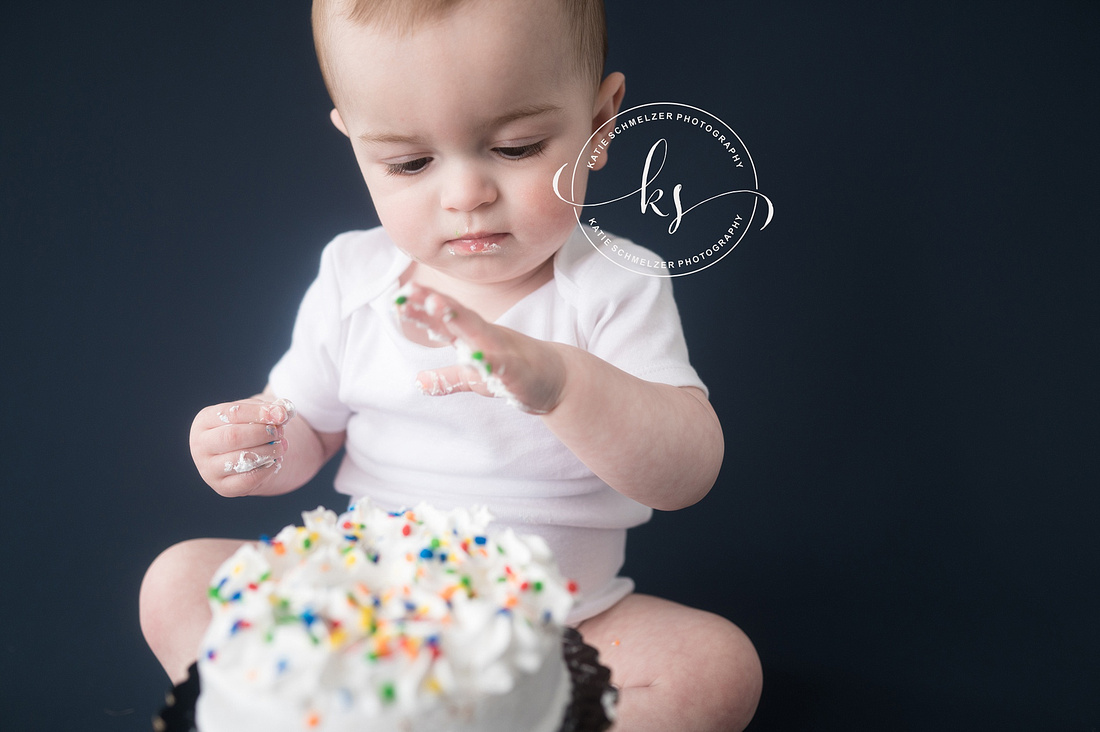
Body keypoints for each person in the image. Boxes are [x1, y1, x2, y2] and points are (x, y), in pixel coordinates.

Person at [140, 0, 762, 729]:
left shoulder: (615, 282)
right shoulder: (353, 277)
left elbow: (686, 471)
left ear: (600, 124)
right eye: (410, 162)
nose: (466, 195)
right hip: (367, 617)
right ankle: (328, 711)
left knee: (715, 670)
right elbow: (305, 431)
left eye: (518, 146)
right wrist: (256, 446)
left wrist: (562, 384)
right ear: (355, 143)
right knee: (177, 580)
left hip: (561, 627)